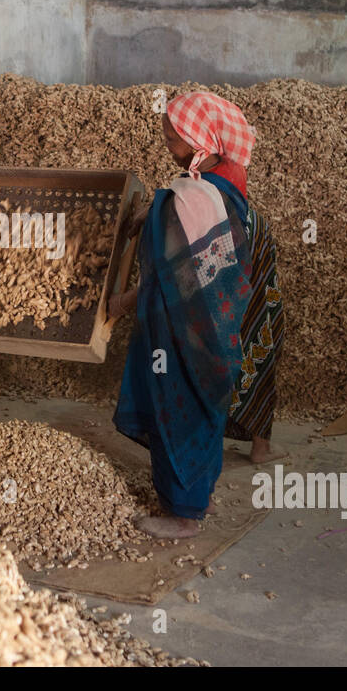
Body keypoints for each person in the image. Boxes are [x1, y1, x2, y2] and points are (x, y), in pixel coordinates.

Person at [108, 91, 285, 539]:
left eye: (174, 134)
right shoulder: (225, 176)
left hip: (182, 329)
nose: (166, 139)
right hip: (210, 328)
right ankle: (188, 496)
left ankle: (183, 514)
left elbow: (171, 272)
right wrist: (157, 208)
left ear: (201, 138)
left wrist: (124, 301)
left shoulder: (190, 197)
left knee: (178, 406)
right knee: (198, 404)